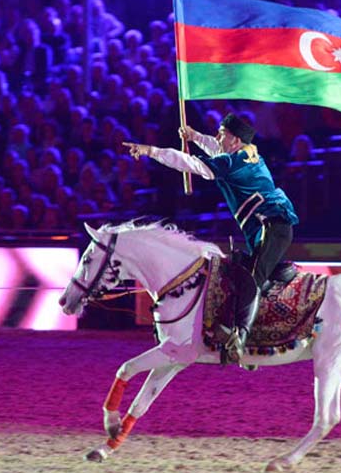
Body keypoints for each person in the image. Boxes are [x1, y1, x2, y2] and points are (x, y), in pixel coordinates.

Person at [124, 113, 298, 365]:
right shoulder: (246, 152)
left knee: (251, 280)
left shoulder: (233, 162)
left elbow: (191, 164)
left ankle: (240, 339)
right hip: (268, 226)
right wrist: (194, 136)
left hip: (269, 225)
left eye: (222, 133)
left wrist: (151, 150)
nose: (217, 137)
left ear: (235, 140)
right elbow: (217, 148)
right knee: (247, 276)